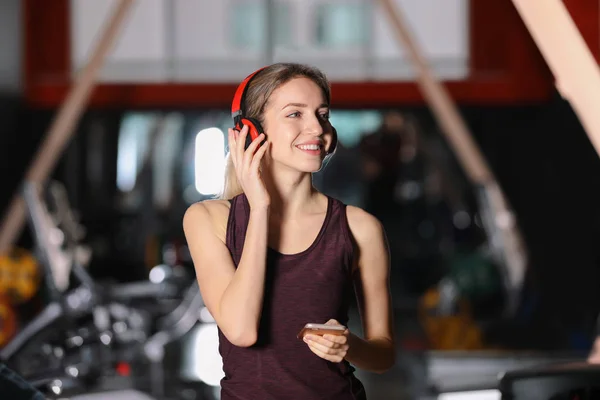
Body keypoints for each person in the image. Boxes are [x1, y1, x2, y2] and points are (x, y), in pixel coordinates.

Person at [183, 63, 395, 399]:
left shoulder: (359, 227)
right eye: (295, 114)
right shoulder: (207, 219)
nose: (316, 127)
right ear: (251, 132)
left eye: (322, 114)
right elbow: (241, 330)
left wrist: (349, 346)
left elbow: (383, 355)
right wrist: (260, 207)